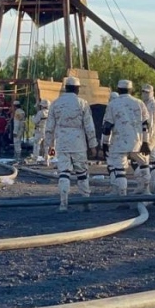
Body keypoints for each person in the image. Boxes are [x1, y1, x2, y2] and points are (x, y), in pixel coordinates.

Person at [45, 76, 98, 212]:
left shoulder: (56, 104)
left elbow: (49, 127)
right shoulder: (82, 103)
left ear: (65, 88)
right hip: (78, 143)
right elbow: (89, 126)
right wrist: (93, 145)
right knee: (82, 173)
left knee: (63, 173)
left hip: (62, 142)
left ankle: (63, 204)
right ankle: (86, 202)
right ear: (77, 88)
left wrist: (49, 145)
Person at [102, 79, 152, 197]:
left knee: (119, 171)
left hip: (118, 143)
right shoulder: (139, 103)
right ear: (131, 90)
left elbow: (107, 126)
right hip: (137, 142)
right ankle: (146, 191)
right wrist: (145, 142)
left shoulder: (112, 104)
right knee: (144, 165)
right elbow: (146, 125)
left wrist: (105, 143)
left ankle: (122, 196)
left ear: (118, 89)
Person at [140, 84, 155, 192]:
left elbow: (152, 125)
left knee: (152, 160)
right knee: (146, 161)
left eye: (147, 92)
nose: (145, 94)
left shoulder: (153, 105)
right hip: (145, 136)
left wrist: (147, 140)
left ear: (152, 93)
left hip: (150, 137)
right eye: (143, 92)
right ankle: (146, 186)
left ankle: (151, 187)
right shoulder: (144, 104)